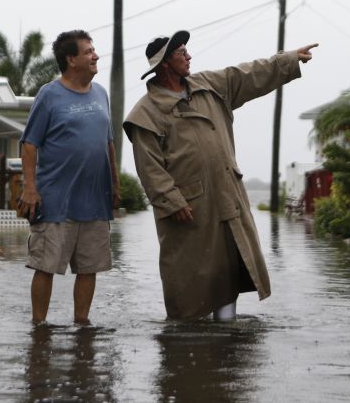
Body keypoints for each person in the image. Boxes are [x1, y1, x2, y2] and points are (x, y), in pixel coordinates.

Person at [123, 30, 317, 320]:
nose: (189, 57)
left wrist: (287, 61)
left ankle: (225, 335)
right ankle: (187, 341)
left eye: (187, 51)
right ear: (164, 64)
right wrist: (171, 202)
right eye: (181, 53)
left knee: (228, 270)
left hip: (227, 197)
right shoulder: (146, 113)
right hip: (189, 209)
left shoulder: (210, 85)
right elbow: (149, 167)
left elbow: (247, 75)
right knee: (190, 277)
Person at [19, 30, 121, 325]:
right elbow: (29, 144)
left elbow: (108, 142)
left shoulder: (101, 93)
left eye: (94, 50)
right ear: (71, 59)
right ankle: (38, 326)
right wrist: (30, 189)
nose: (95, 55)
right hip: (55, 199)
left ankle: (82, 324)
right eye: (88, 51)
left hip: (94, 200)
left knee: (90, 268)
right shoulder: (49, 95)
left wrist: (114, 184)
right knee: (45, 266)